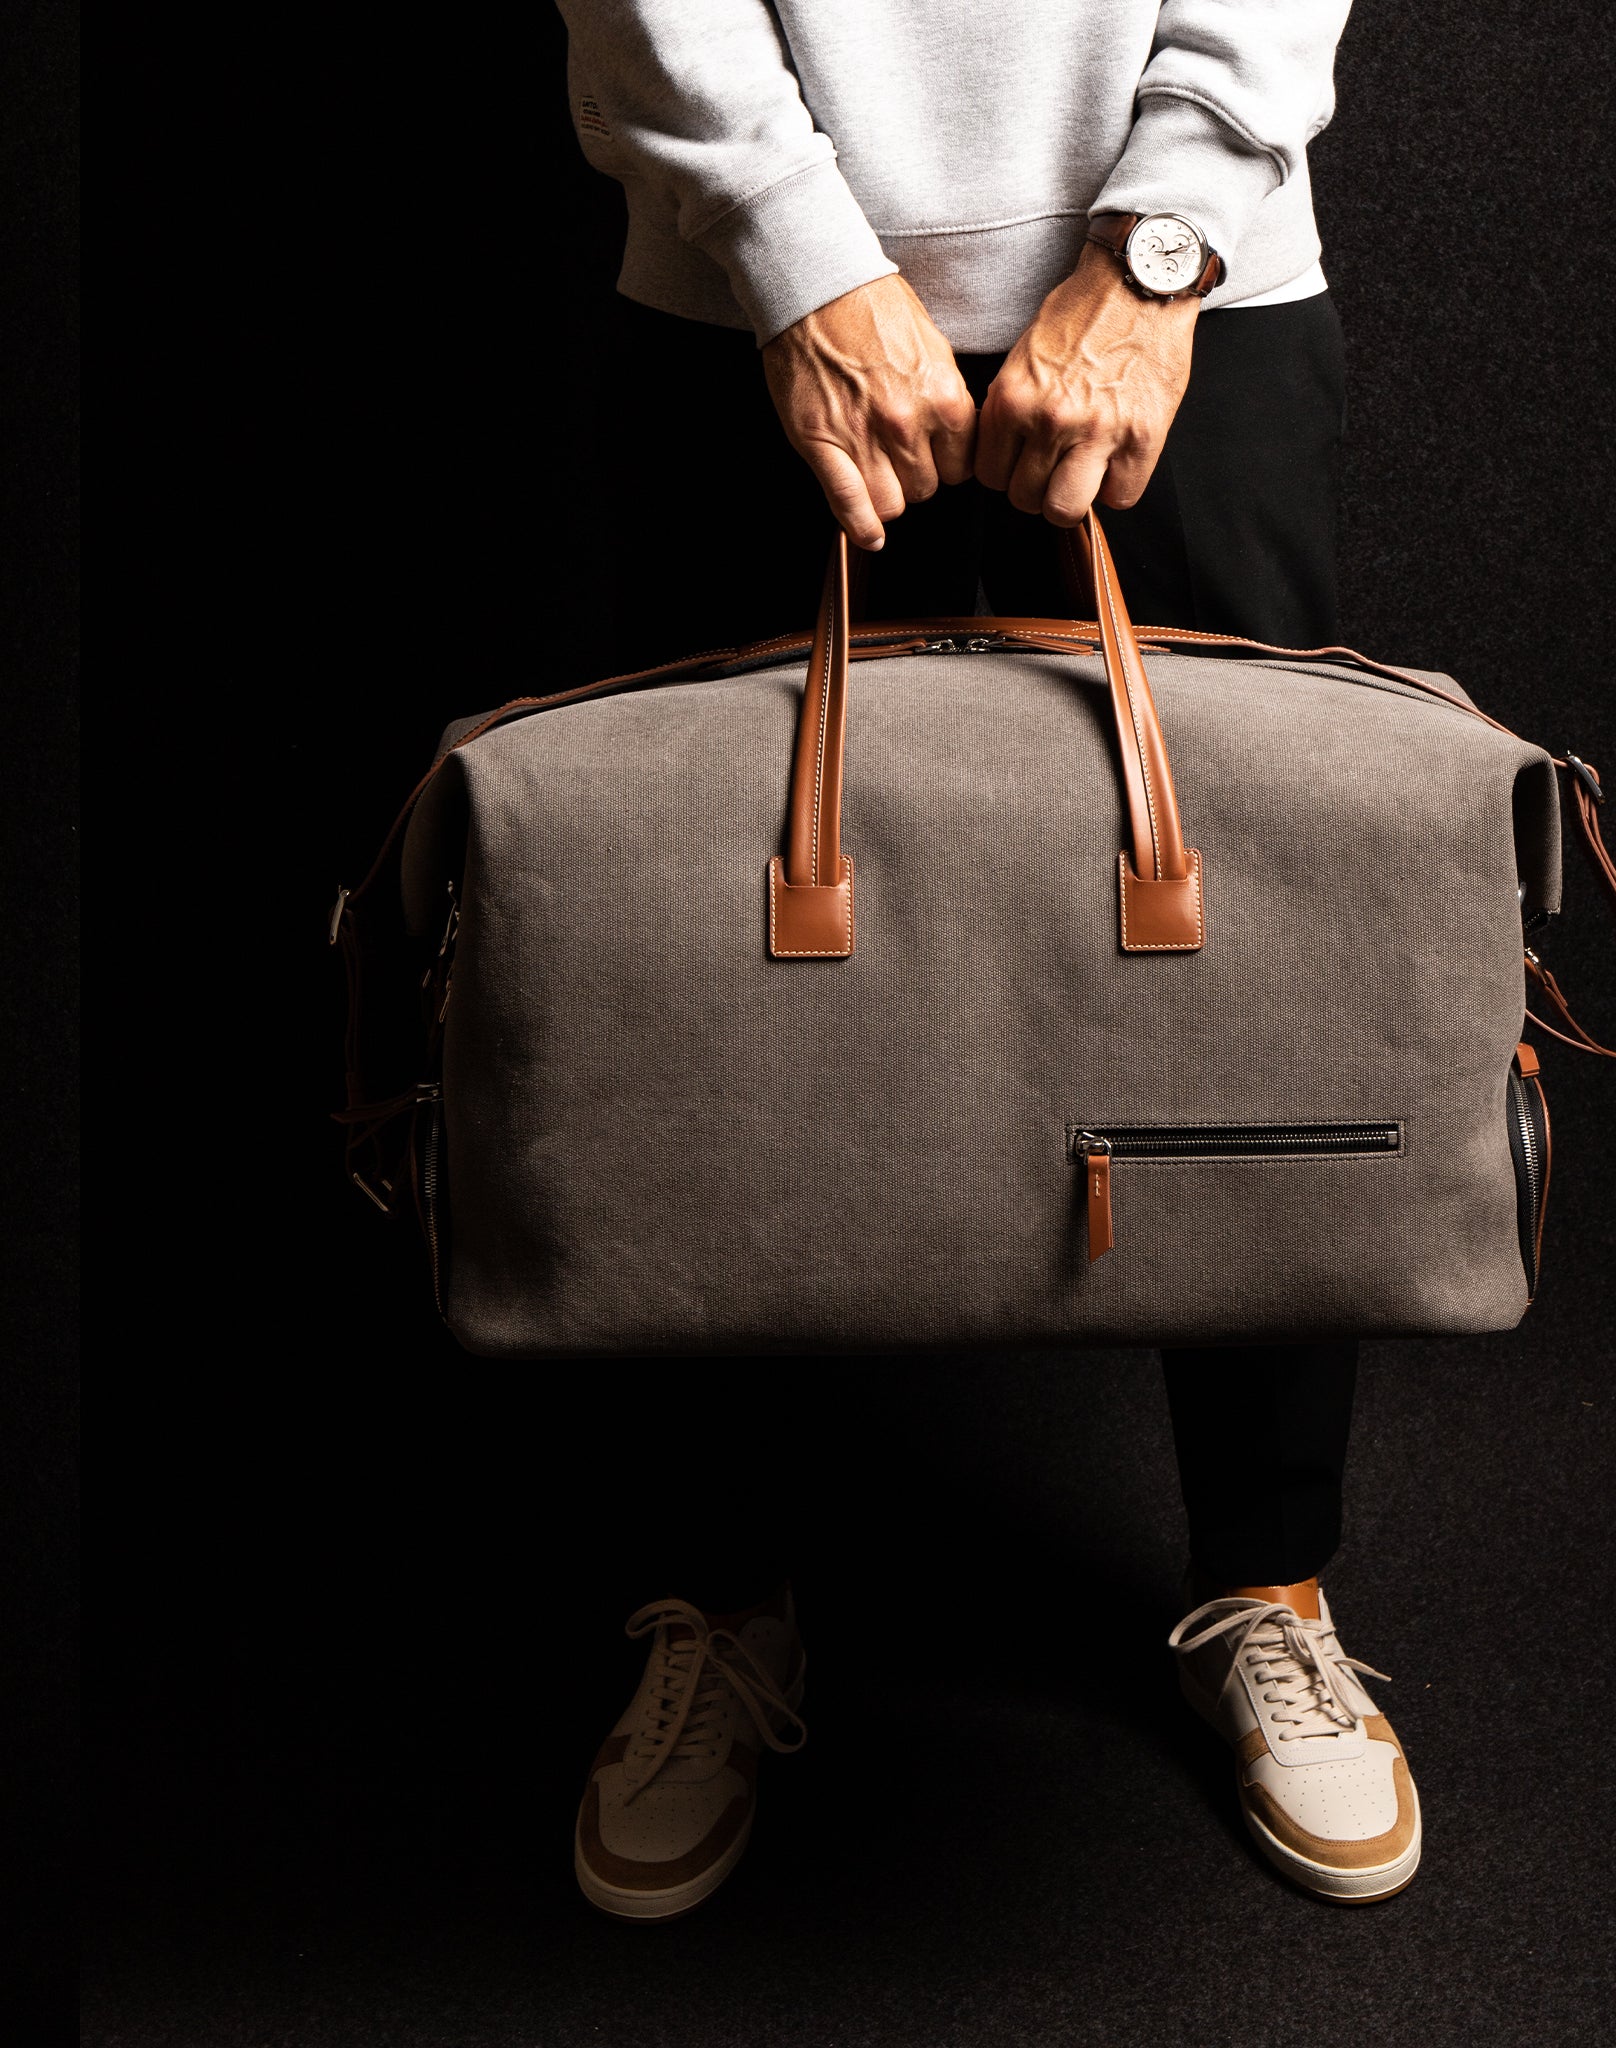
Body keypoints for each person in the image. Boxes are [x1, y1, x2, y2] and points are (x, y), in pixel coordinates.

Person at [554, 0, 1418, 1918]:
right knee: (695, 973)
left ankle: (1266, 1574)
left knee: (1239, 971)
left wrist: (1164, 234)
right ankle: (716, 1601)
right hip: (736, 291)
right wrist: (782, 238)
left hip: (1189, 300)